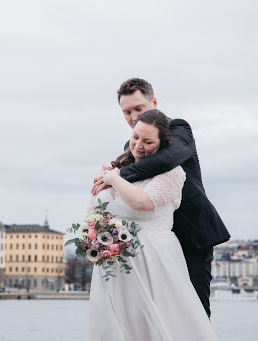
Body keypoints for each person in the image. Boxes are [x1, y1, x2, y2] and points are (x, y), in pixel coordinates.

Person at [92, 78, 230, 317]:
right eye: (127, 112)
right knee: (154, 313)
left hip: (192, 234)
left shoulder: (179, 129)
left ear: (154, 102)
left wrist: (116, 175)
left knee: (193, 312)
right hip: (149, 243)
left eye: (139, 108)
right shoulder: (131, 145)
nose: (134, 117)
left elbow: (166, 160)